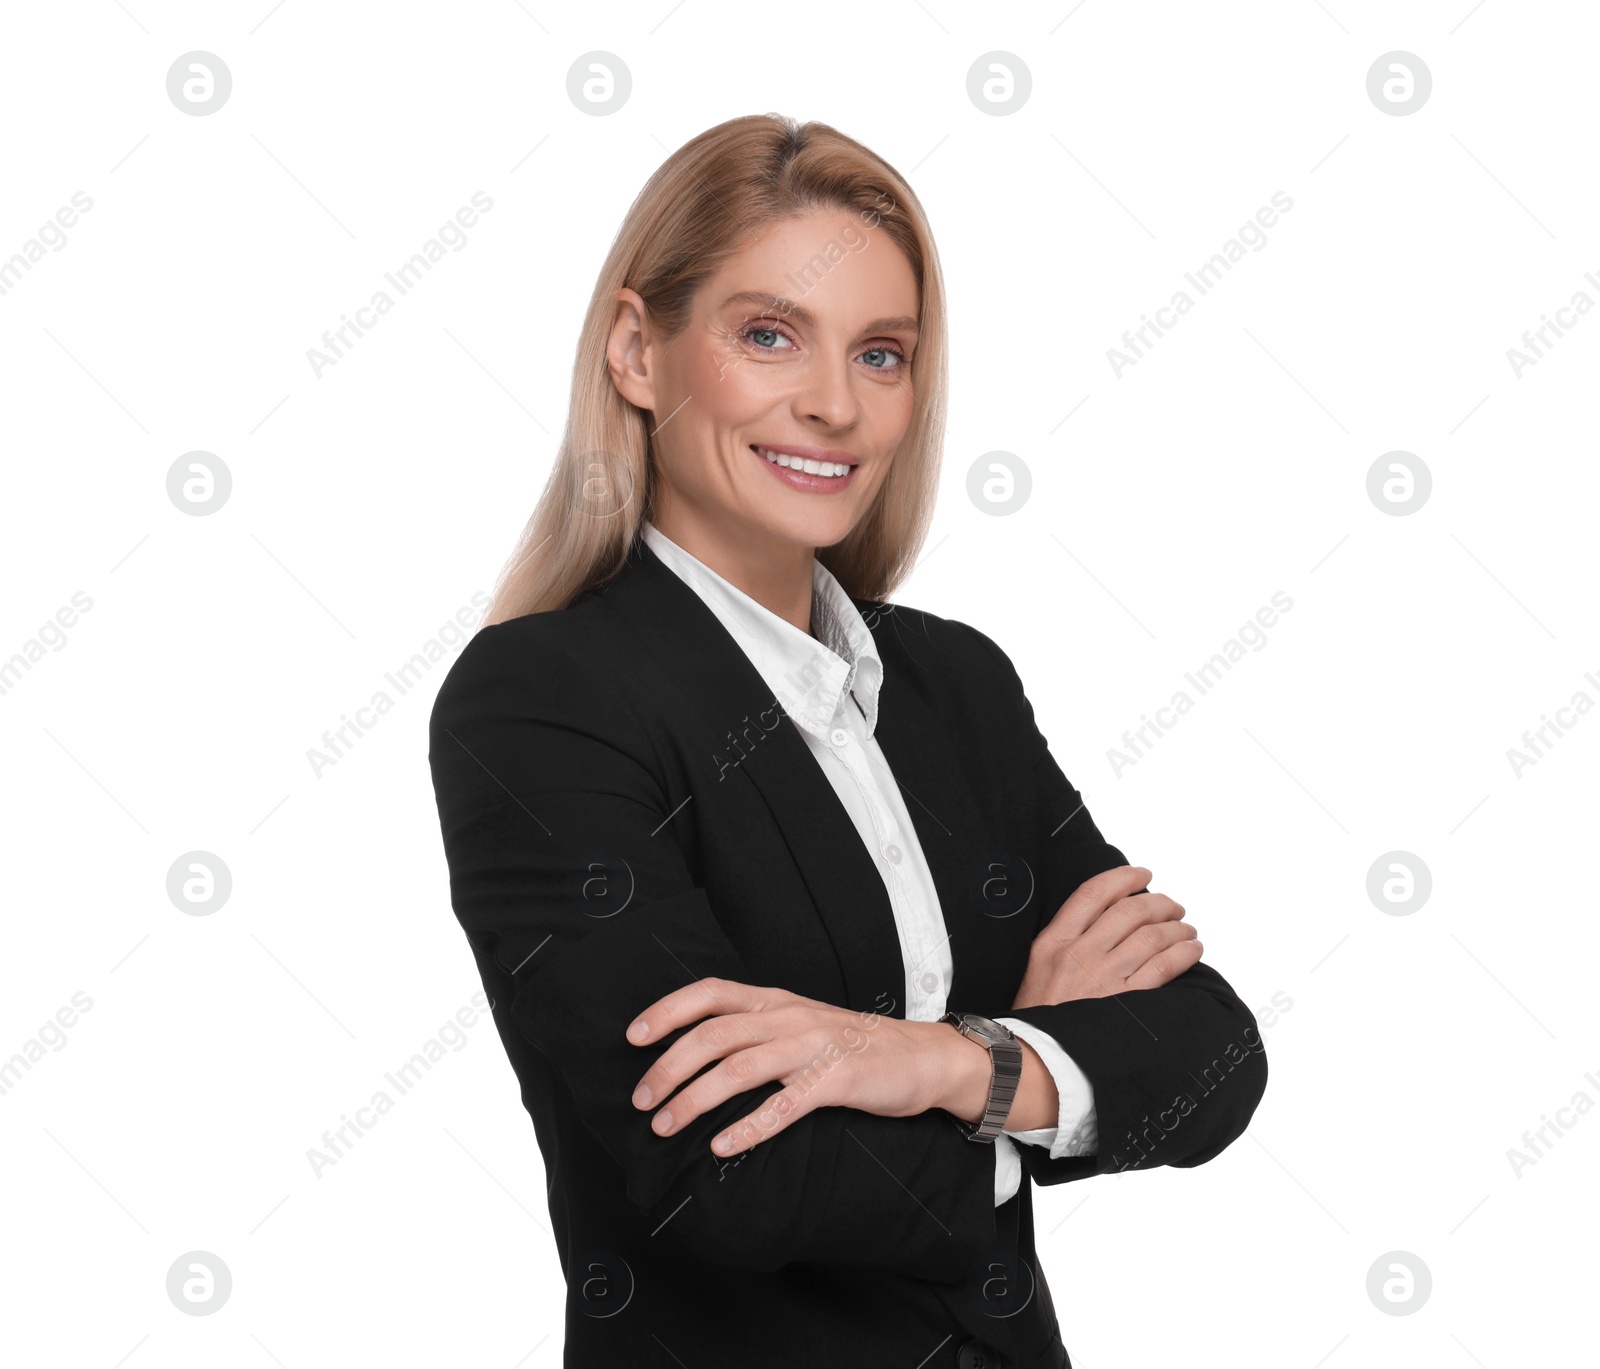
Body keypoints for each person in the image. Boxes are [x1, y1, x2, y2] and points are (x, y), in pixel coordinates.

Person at [428, 112, 1267, 1369]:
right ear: (637, 352)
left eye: (881, 354)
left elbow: (1211, 1059)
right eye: (768, 335)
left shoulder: (954, 684)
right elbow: (734, 1180)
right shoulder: (544, 702)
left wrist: (919, 1060)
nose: (831, 404)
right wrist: (1033, 1067)